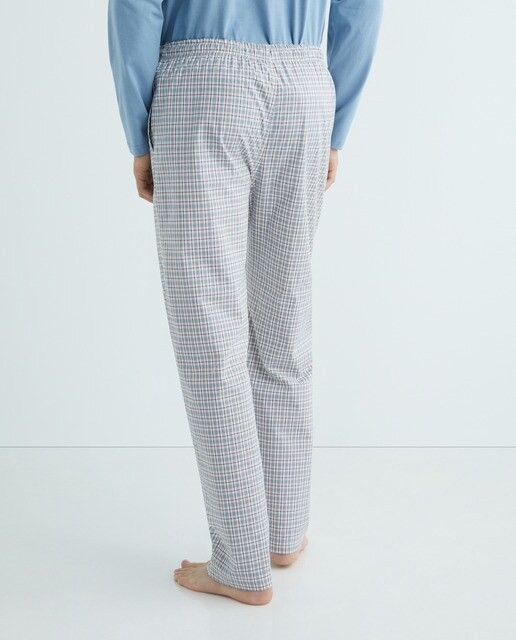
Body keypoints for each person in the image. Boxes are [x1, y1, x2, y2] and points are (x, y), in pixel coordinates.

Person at [108, 0, 382, 606]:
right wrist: (335, 122)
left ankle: (240, 560)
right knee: (284, 320)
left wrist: (138, 130)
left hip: (201, 85)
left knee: (209, 329)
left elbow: (135, 7)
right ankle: (283, 531)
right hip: (305, 85)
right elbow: (362, 10)